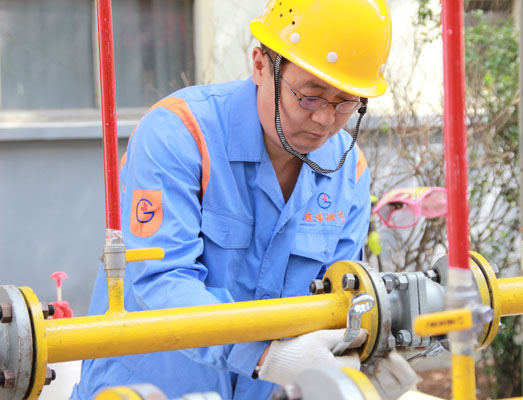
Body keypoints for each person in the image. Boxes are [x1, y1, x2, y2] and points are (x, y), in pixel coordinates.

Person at [72, 0, 392, 398]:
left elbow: (341, 297)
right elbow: (162, 279)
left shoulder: (349, 171)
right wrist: (266, 357)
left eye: (346, 102)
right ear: (260, 65)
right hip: (147, 389)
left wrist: (365, 352)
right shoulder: (179, 133)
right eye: (310, 96)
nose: (326, 119)